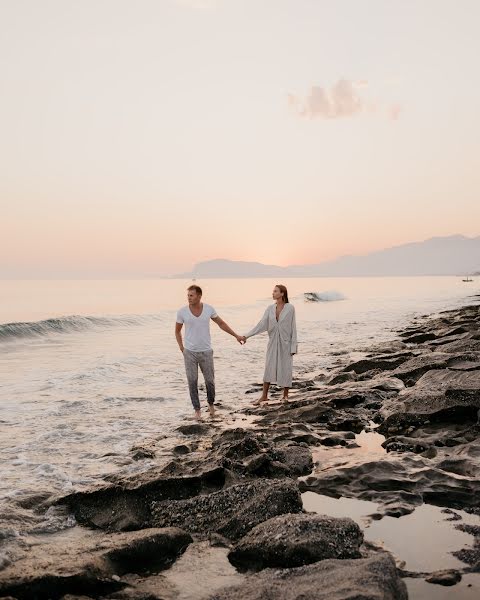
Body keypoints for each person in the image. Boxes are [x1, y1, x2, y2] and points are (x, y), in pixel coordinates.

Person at [175, 284, 244, 420]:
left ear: (199, 296)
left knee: (210, 381)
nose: (189, 298)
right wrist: (181, 348)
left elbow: (221, 323)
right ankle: (197, 410)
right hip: (190, 353)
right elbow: (177, 331)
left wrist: (236, 335)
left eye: (191, 295)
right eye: (188, 295)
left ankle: (211, 405)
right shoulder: (182, 312)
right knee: (192, 381)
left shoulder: (208, 309)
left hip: (206, 351)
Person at [241, 284, 297, 403]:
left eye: (275, 291)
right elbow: (261, 325)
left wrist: (293, 347)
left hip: (286, 343)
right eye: (273, 291)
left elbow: (293, 328)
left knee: (286, 368)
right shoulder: (270, 309)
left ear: (282, 293)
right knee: (269, 367)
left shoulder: (290, 308)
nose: (273, 293)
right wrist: (247, 336)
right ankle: (264, 395)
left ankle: (285, 396)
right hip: (272, 342)